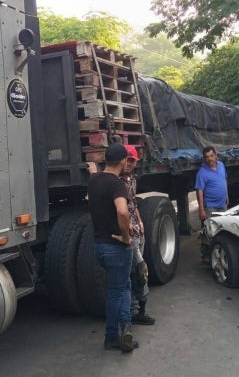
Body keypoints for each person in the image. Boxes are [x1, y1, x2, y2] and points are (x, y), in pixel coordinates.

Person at [87, 143, 138, 352]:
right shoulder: (118, 184)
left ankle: (126, 329)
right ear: (124, 161)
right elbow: (123, 212)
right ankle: (111, 337)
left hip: (99, 246)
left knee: (124, 285)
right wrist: (126, 236)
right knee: (116, 292)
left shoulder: (94, 180)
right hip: (116, 246)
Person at [121, 145, 155, 326]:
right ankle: (135, 311)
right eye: (126, 159)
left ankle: (140, 310)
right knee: (140, 270)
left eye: (132, 160)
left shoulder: (132, 180)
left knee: (138, 272)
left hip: (137, 229)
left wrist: (140, 221)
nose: (129, 163)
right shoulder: (116, 181)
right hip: (127, 233)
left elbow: (133, 204)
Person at [195, 146, 228, 222]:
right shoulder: (202, 173)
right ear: (204, 158)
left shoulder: (221, 165)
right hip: (210, 208)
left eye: (211, 156)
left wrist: (227, 196)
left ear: (216, 155)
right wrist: (201, 209)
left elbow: (224, 180)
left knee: (223, 228)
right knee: (211, 231)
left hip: (222, 205)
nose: (209, 159)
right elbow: (199, 191)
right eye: (206, 157)